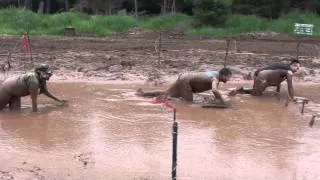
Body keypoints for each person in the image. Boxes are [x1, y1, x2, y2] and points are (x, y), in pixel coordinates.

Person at [136, 67, 232, 105]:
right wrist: (223, 102)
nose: (229, 80)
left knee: (167, 93)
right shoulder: (214, 79)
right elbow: (215, 90)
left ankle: (142, 94)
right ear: (223, 75)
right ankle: (165, 100)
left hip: (185, 76)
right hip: (186, 82)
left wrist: (217, 99)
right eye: (228, 77)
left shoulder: (215, 73)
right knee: (189, 103)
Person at [0, 64, 67, 112]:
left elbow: (45, 91)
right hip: (7, 89)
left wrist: (58, 100)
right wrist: (35, 113)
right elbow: (33, 99)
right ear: (40, 72)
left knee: (15, 112)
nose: (49, 76)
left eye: (50, 74)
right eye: (47, 74)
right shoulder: (34, 81)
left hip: (16, 94)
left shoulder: (42, 79)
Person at [229, 60, 301, 100]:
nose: (297, 70)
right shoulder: (289, 71)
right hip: (262, 76)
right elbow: (290, 86)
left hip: (260, 74)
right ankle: (238, 91)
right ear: (292, 65)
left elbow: (279, 79)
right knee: (256, 95)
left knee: (256, 91)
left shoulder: (285, 69)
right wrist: (292, 98)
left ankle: (242, 90)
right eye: (297, 68)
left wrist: (277, 91)